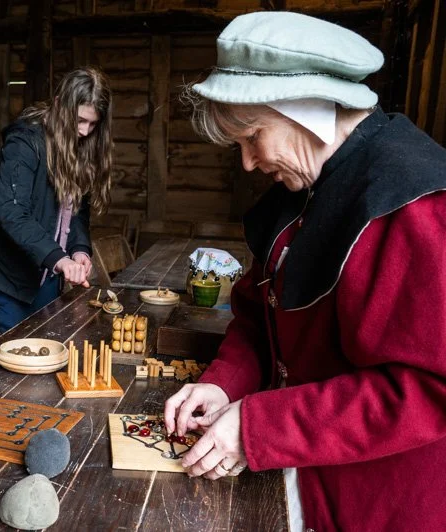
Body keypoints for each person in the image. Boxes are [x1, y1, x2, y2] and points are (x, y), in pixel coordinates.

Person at [163, 11, 446, 532]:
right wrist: (226, 384)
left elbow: (425, 389)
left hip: (379, 502)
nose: (248, 163)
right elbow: (256, 317)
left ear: (299, 111)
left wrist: (259, 426)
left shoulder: (414, 203)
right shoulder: (301, 190)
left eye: (253, 137)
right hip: (298, 476)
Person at [0, 67, 114, 333]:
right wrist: (60, 259)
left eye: (93, 124)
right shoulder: (24, 143)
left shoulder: (79, 148)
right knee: (17, 349)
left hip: (49, 268)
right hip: (12, 272)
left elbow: (76, 212)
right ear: (60, 104)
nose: (85, 131)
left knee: (48, 340)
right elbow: (11, 211)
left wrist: (79, 249)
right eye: (80, 120)